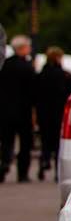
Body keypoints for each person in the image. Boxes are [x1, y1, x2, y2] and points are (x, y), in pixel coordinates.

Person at [35, 46, 71, 181]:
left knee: (45, 140)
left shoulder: (41, 74)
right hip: (59, 112)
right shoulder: (64, 75)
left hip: (44, 112)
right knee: (58, 143)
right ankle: (57, 172)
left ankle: (44, 161)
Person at [0, 34, 36, 183]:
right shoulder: (27, 67)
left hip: (6, 110)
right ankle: (22, 173)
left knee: (6, 142)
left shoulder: (5, 65)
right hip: (24, 110)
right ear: (22, 48)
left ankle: (4, 165)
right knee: (25, 143)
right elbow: (33, 90)